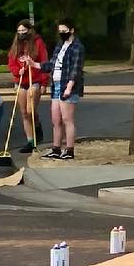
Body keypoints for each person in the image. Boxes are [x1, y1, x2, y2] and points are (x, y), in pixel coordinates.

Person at [43, 19, 84, 160]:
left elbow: (75, 69)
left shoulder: (77, 47)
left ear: (71, 30)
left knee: (67, 119)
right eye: (60, 31)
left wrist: (69, 87)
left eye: (64, 31)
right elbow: (51, 64)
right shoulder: (60, 45)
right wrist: (34, 64)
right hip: (56, 85)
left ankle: (69, 149)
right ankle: (56, 148)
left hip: (67, 86)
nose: (61, 33)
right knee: (56, 119)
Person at [6, 21, 49, 152]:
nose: (21, 34)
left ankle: (37, 126)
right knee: (24, 113)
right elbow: (11, 62)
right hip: (21, 81)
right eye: (19, 32)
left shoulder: (38, 43)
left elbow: (44, 62)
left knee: (31, 111)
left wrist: (44, 82)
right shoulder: (16, 45)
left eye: (24, 31)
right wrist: (16, 72)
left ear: (29, 31)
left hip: (34, 80)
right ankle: (31, 141)